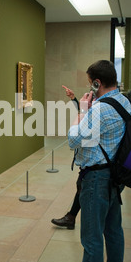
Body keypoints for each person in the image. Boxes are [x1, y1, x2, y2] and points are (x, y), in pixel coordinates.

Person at [68, 60, 131, 262]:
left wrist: (81, 113)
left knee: (92, 239)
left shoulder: (99, 110)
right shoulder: (125, 101)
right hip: (116, 175)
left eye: (90, 83)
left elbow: (74, 140)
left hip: (97, 179)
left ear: (97, 83)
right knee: (113, 230)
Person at [51, 85, 81, 230]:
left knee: (83, 186)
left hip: (99, 164)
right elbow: (84, 111)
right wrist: (73, 98)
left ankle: (71, 217)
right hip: (93, 163)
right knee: (81, 186)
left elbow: (73, 139)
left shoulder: (104, 105)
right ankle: (71, 217)